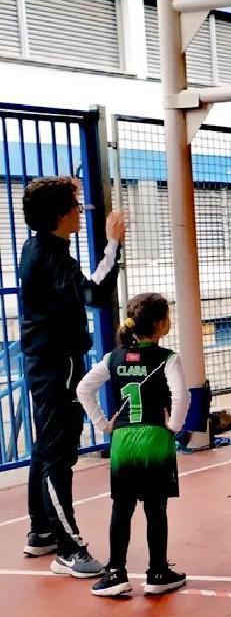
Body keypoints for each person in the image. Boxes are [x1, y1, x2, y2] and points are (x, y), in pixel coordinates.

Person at [19, 176, 124, 575]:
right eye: (77, 207)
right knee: (58, 455)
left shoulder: (44, 249)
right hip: (56, 365)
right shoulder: (50, 254)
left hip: (49, 361)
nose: (81, 213)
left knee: (47, 447)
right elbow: (95, 294)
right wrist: (113, 243)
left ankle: (41, 531)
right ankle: (68, 547)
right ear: (61, 214)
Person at [76, 293, 190, 598]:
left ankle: (115, 573)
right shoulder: (167, 357)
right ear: (161, 324)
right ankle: (157, 572)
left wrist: (104, 425)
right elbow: (182, 396)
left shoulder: (113, 358)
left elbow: (83, 388)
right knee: (156, 508)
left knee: (121, 509)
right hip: (154, 438)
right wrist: (174, 425)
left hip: (123, 440)